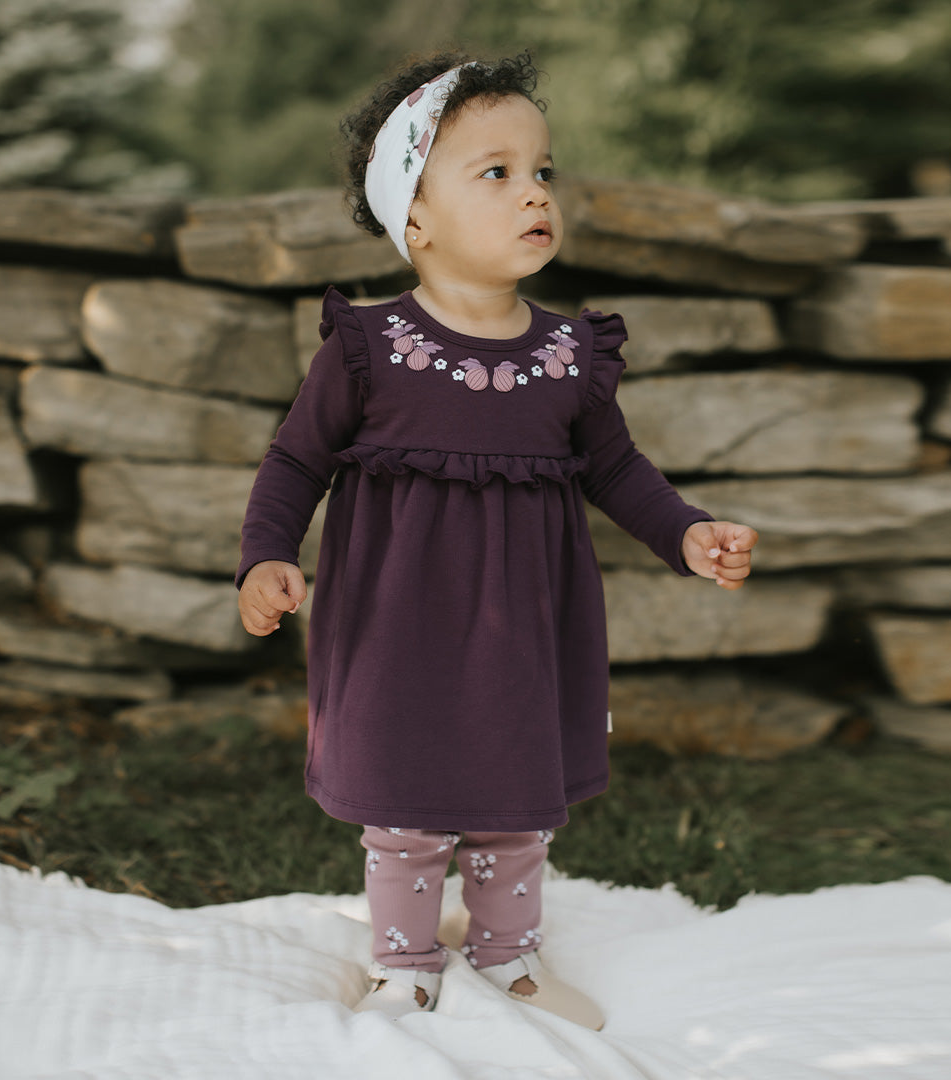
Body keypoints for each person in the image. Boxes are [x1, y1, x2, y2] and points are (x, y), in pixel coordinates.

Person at [236, 52, 758, 1030]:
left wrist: (686, 534)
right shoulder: (370, 349)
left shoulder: (568, 355)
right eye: (497, 172)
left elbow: (616, 468)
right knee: (404, 801)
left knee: (516, 798)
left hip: (524, 624)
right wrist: (266, 555)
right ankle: (404, 959)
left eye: (543, 170)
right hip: (395, 622)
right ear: (415, 219)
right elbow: (296, 460)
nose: (535, 193)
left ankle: (507, 949)